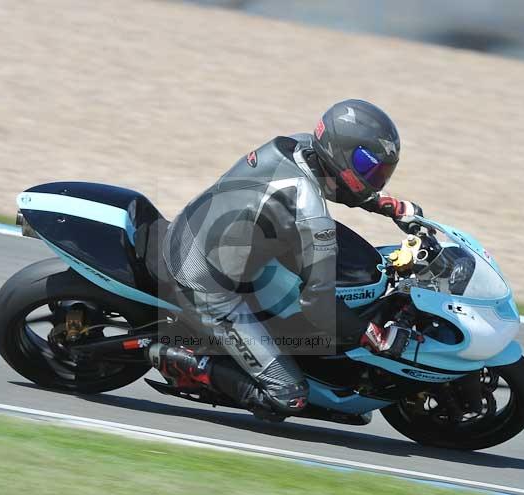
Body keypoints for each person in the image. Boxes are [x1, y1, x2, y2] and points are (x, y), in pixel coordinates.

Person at [153, 99, 422, 421]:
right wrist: (371, 334)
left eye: (382, 171)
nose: (375, 176)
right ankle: (181, 360)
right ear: (340, 152)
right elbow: (318, 304)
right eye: (369, 167)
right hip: (205, 282)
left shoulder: (298, 145)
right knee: (287, 397)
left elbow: (339, 185)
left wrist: (383, 204)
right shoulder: (307, 210)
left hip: (203, 231)